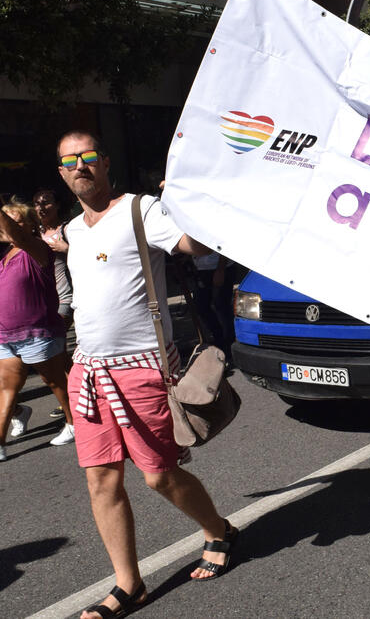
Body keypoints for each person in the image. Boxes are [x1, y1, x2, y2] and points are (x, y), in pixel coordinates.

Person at [55, 130, 236, 619]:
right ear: (62, 172)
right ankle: (128, 584)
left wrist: (198, 202)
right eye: (70, 161)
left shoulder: (141, 209)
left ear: (106, 162)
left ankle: (217, 529)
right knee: (101, 482)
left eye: (89, 157)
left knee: (158, 475)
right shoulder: (72, 231)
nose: (81, 166)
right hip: (88, 372)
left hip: (142, 369)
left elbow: (191, 244)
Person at [0, 200, 76, 459]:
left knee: (55, 382)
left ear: (31, 225)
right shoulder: (4, 255)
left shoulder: (36, 249)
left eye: (15, 219)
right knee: (7, 387)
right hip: (6, 335)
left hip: (38, 331)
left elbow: (17, 235)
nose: (8, 224)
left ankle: (74, 423)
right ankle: (0, 443)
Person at [34, 188, 75, 419]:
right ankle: (78, 393)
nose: (41, 207)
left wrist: (66, 249)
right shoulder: (34, 234)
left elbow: (90, 255)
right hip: (43, 302)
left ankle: (73, 398)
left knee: (53, 349)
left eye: (46, 202)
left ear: (57, 205)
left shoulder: (67, 230)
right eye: (37, 203)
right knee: (60, 353)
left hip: (65, 299)